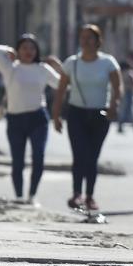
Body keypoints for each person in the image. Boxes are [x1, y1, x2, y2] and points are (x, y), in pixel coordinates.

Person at [52, 24, 121, 211]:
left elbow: (117, 88)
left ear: (98, 41)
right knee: (79, 155)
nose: (86, 41)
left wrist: (114, 105)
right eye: (83, 37)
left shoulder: (108, 62)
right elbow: (61, 91)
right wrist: (56, 115)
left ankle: (90, 196)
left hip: (100, 115)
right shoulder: (71, 63)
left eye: (90, 37)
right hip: (77, 114)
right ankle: (77, 194)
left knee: (92, 156)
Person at [0, 34, 62, 205]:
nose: (28, 51)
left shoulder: (43, 69)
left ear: (37, 51)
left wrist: (58, 66)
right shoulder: (10, 68)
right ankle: (19, 196)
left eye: (32, 48)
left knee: (39, 157)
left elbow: (62, 84)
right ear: (18, 50)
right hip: (15, 120)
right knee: (18, 161)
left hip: (38, 118)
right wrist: (9, 51)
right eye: (24, 48)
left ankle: (32, 195)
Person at [117, 61, 133, 133]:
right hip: (129, 92)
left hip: (122, 92)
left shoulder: (120, 72)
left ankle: (120, 125)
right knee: (132, 109)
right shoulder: (130, 72)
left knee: (122, 109)